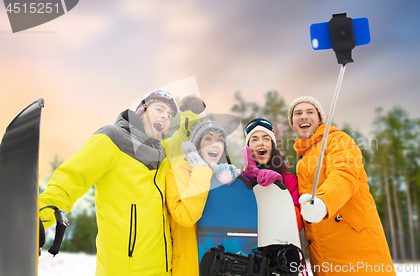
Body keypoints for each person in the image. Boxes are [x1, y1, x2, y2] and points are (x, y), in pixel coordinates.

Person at [38, 90, 205, 276]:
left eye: (169, 116)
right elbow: (73, 177)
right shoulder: (112, 138)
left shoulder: (162, 151)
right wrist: (38, 216)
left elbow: (185, 136)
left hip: (162, 269)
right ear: (142, 110)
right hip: (123, 269)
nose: (165, 117)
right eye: (159, 109)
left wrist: (191, 113)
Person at [288, 96, 395, 276]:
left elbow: (345, 174)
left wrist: (324, 200)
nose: (303, 116)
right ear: (292, 123)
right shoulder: (302, 158)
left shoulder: (338, 141)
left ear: (320, 119)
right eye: (297, 113)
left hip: (357, 250)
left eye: (310, 112)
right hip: (325, 258)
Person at [166, 121, 239, 276]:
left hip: (221, 266)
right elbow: (185, 217)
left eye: (220, 140)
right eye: (208, 139)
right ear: (196, 144)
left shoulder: (223, 178)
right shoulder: (175, 174)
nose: (215, 145)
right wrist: (201, 171)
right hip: (189, 267)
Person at [241, 118, 303, 231]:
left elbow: (296, 224)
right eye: (254, 140)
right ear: (248, 149)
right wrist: (249, 178)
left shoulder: (290, 180)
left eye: (266, 139)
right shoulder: (240, 182)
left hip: (280, 244)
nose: (261, 143)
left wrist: (277, 189)